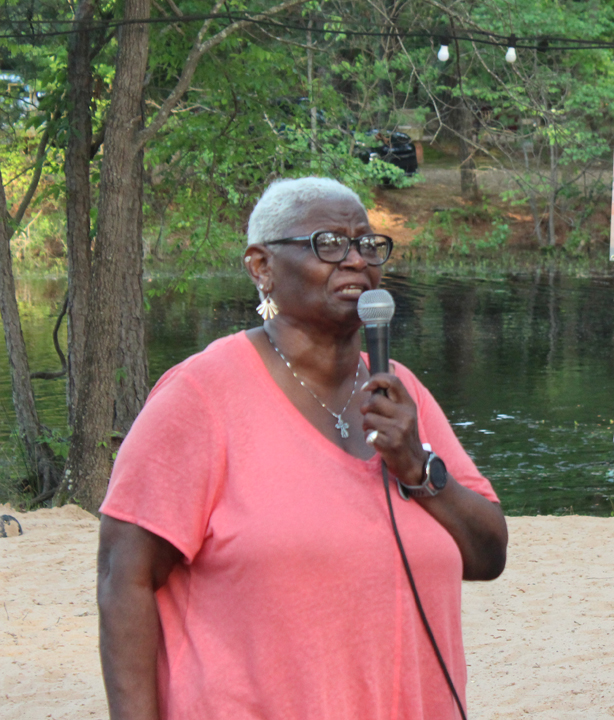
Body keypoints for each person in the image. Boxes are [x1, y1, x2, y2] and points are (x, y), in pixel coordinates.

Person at [97, 177, 508, 720]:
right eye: (329, 244)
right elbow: (124, 578)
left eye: (367, 244)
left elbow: (489, 555)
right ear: (261, 267)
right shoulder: (200, 396)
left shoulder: (401, 393)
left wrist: (418, 468)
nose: (357, 260)